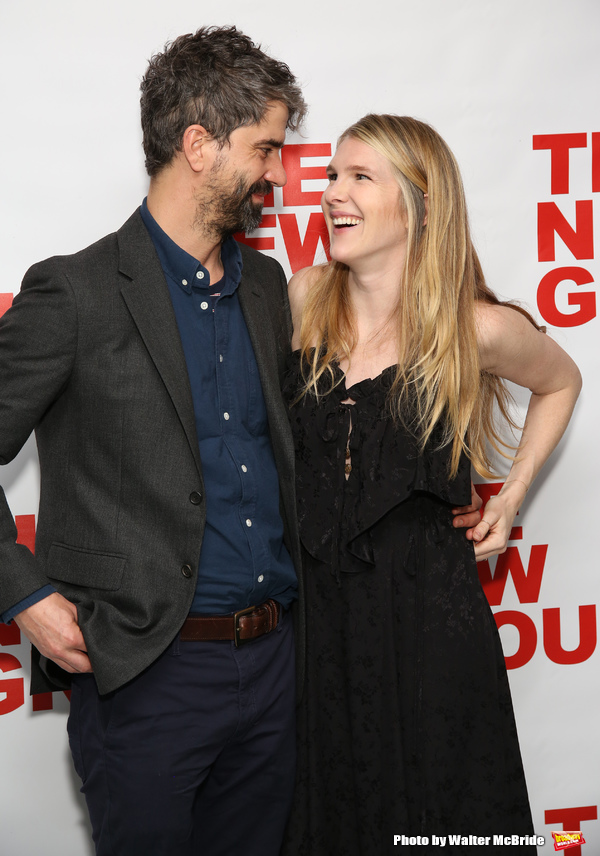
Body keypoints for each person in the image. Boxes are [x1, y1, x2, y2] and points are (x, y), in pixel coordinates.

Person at [0, 25, 308, 856]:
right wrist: (23, 594)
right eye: (267, 149)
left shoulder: (269, 287)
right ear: (198, 144)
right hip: (145, 674)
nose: (280, 173)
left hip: (276, 665)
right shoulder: (77, 291)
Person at [281, 114, 582, 855]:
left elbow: (562, 380)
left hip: (428, 625)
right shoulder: (304, 296)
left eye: (360, 177)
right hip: (315, 625)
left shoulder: (473, 329)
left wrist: (512, 496)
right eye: (330, 176)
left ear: (419, 203)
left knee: (440, 819)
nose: (333, 194)